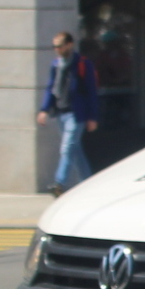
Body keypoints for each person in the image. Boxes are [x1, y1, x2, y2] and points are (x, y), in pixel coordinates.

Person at [37, 30, 101, 193]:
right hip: (61, 112)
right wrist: (44, 109)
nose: (56, 49)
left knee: (67, 148)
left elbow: (91, 91)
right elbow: (51, 88)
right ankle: (89, 183)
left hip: (76, 114)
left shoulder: (82, 64)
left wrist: (92, 117)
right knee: (75, 149)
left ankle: (60, 184)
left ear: (69, 45)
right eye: (54, 46)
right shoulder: (56, 65)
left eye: (59, 46)